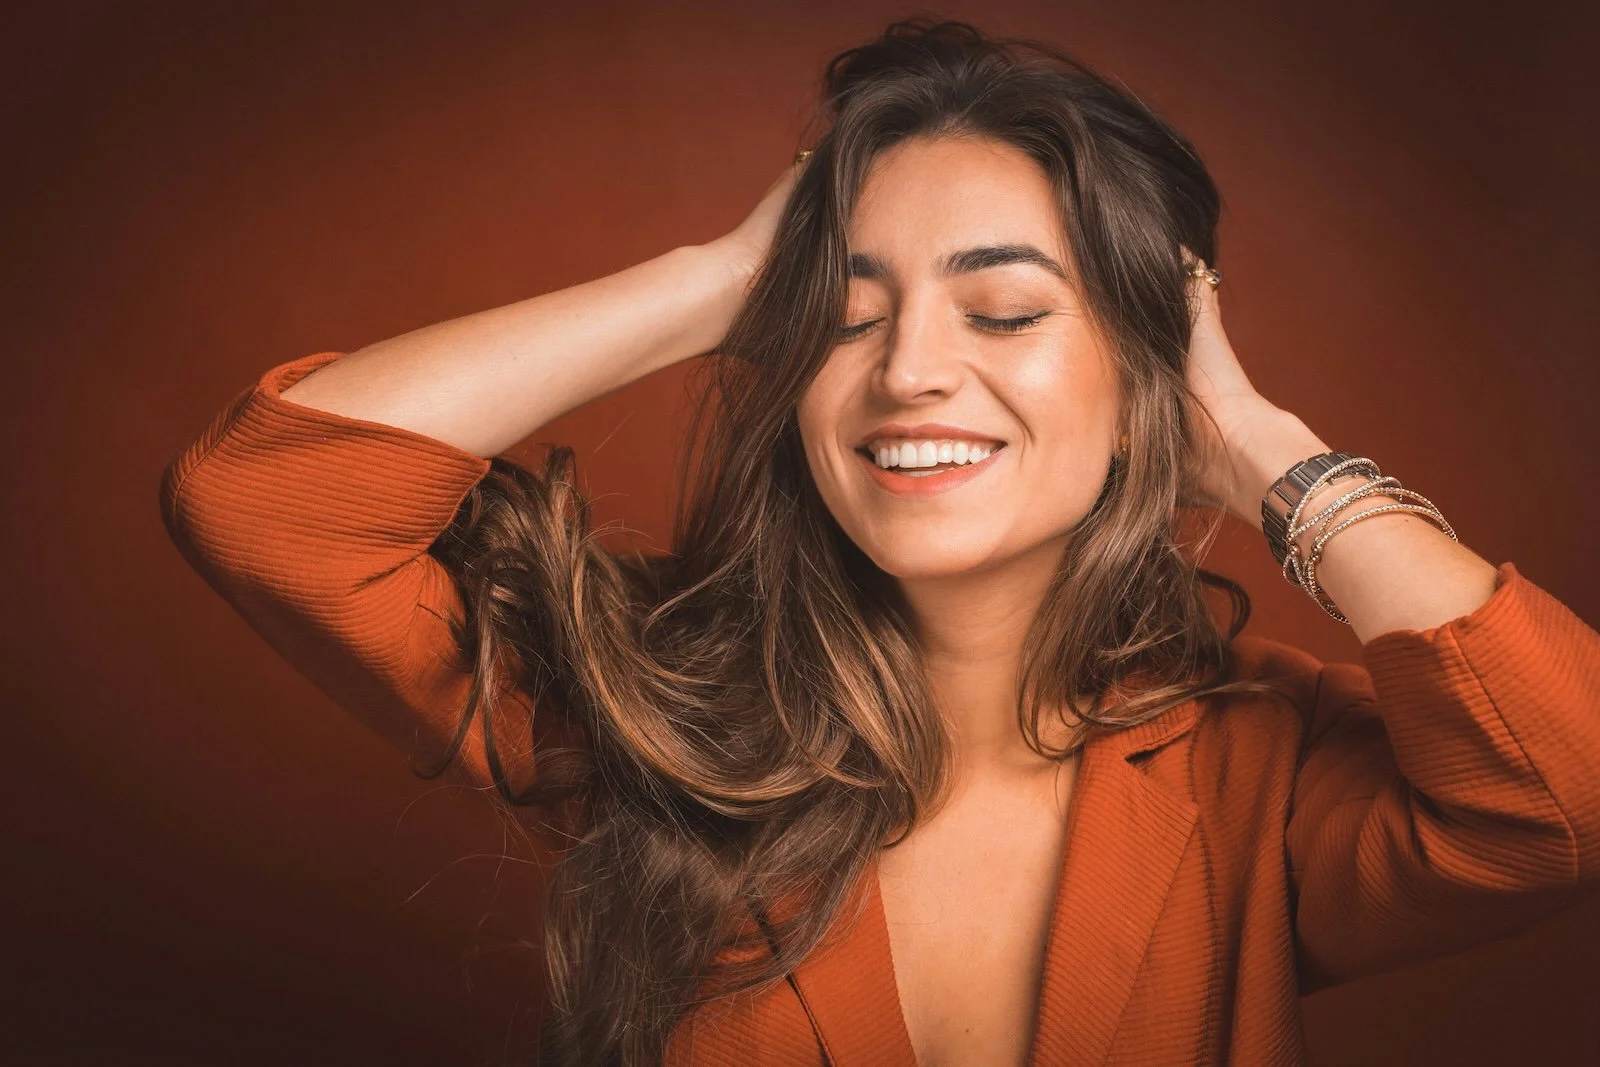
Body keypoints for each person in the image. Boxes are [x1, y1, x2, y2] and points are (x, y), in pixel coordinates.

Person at [158, 17, 1600, 1067]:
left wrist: (1267, 448)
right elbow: (264, 500)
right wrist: (722, 276)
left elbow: (1564, 794)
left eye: (1005, 311)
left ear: (1150, 368)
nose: (907, 370)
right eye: (845, 315)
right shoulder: (649, 707)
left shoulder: (1261, 772)